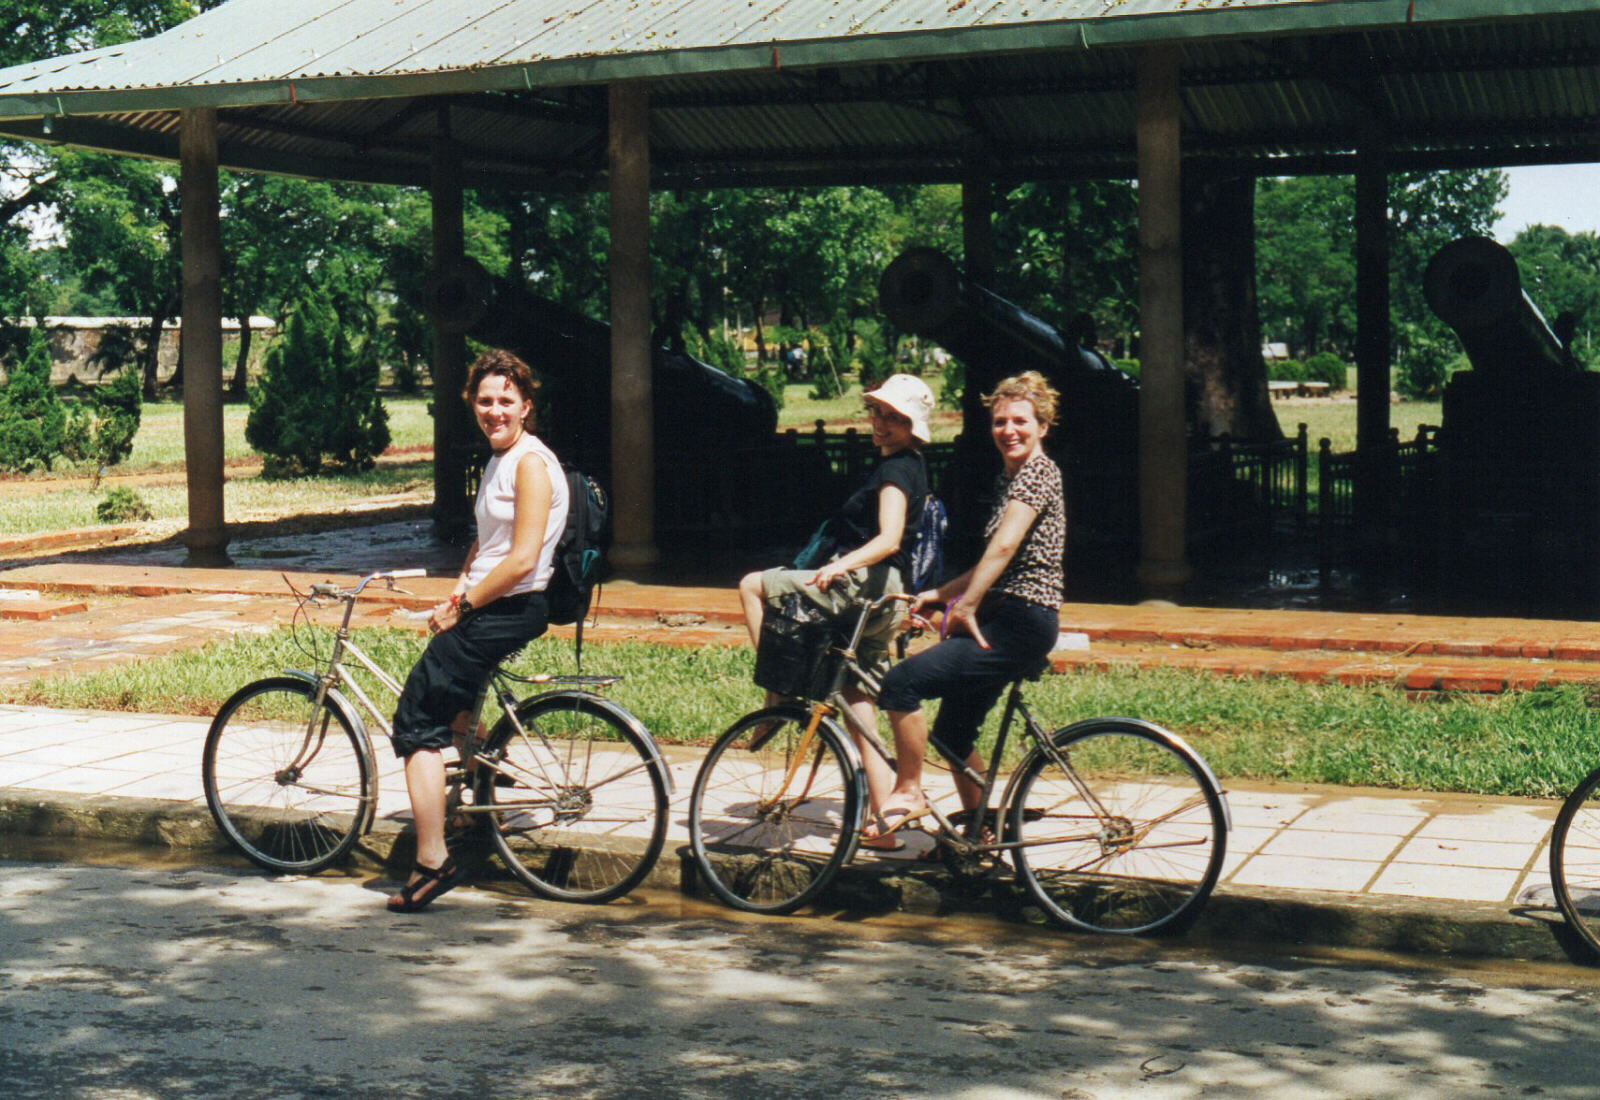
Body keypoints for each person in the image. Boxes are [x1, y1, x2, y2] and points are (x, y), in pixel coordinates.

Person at [386, 349, 569, 913]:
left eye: (506, 401)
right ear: (473, 405)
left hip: (509, 606)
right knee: (454, 694)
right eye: (485, 401)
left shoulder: (530, 464)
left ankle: (432, 862)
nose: (495, 411)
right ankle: (476, 788)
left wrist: (463, 605)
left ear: (526, 407)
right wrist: (461, 584)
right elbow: (489, 543)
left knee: (417, 721)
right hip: (493, 602)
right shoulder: (501, 457)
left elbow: (520, 560)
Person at [867, 370, 1065, 842]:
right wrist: (937, 594)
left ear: (1042, 425)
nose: (1009, 431)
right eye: (999, 422)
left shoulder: (1039, 472)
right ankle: (979, 834)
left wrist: (964, 605)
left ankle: (910, 790)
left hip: (1020, 621)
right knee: (952, 736)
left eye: (1020, 421)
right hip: (1007, 615)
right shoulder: (1010, 477)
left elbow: (1003, 550)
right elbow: (989, 559)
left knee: (899, 684)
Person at [737, 373, 933, 841]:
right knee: (858, 706)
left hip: (865, 585)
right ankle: (884, 825)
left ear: (912, 426)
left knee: (751, 586)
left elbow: (888, 538)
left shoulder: (893, 472)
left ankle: (779, 689)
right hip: (887, 596)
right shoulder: (911, 464)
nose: (881, 423)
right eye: (878, 413)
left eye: (895, 418)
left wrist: (840, 565)